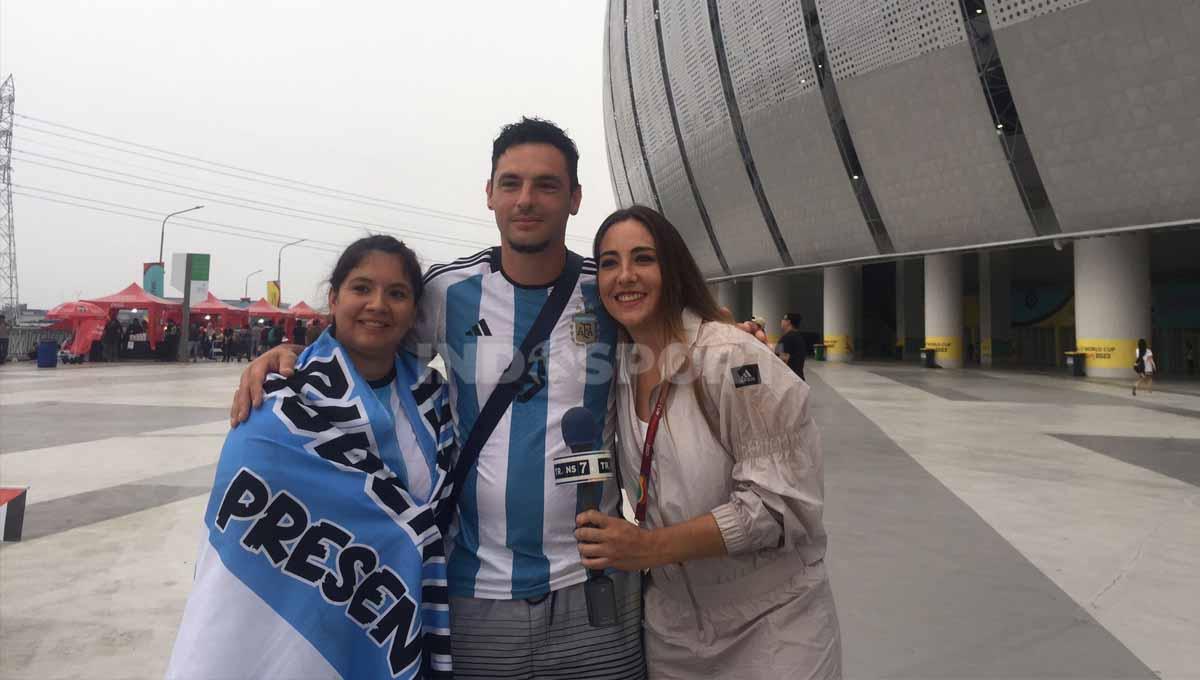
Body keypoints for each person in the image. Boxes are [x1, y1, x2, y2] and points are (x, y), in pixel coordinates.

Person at [231, 117, 645, 679]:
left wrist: (735, 329)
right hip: (474, 594)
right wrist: (287, 355)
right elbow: (369, 340)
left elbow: (678, 330)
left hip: (594, 585)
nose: (526, 199)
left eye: (547, 185)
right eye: (511, 183)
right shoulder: (447, 291)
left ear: (574, 198)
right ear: (490, 194)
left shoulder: (609, 289)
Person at [169, 235, 454, 679]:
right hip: (299, 631)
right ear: (334, 298)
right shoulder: (278, 402)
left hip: (395, 622)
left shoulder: (437, 403)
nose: (378, 304)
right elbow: (239, 539)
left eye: (396, 293)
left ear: (415, 311)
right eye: (362, 288)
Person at [578, 205, 842, 679]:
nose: (625, 276)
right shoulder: (618, 369)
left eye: (643, 258)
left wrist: (650, 547)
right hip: (672, 628)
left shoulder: (733, 356)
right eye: (609, 263)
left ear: (673, 268)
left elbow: (781, 505)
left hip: (773, 622)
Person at [777, 312, 808, 381]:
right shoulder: (799, 337)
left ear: (788, 322)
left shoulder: (786, 338)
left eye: (783, 319)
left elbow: (782, 361)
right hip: (798, 378)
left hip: (789, 381)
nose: (781, 321)